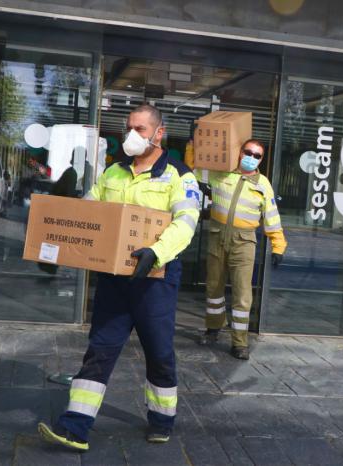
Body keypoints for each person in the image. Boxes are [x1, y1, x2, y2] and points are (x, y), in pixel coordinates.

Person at [38, 104, 200, 450]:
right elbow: (89, 210)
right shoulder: (113, 173)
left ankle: (161, 420)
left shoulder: (179, 176)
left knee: (158, 351)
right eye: (129, 127)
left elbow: (186, 223)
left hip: (156, 279)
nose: (132, 135)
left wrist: (157, 251)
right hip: (114, 279)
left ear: (159, 133)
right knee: (100, 349)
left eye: (140, 129)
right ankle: (75, 426)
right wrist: (61, 230)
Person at [197, 139, 286, 360]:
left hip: (244, 242)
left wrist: (278, 245)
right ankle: (213, 329)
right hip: (217, 236)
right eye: (248, 152)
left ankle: (239, 342)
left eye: (258, 156)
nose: (252, 158)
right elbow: (195, 172)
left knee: (242, 295)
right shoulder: (222, 174)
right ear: (239, 153)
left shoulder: (262, 183)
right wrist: (195, 146)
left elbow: (272, 216)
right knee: (214, 289)